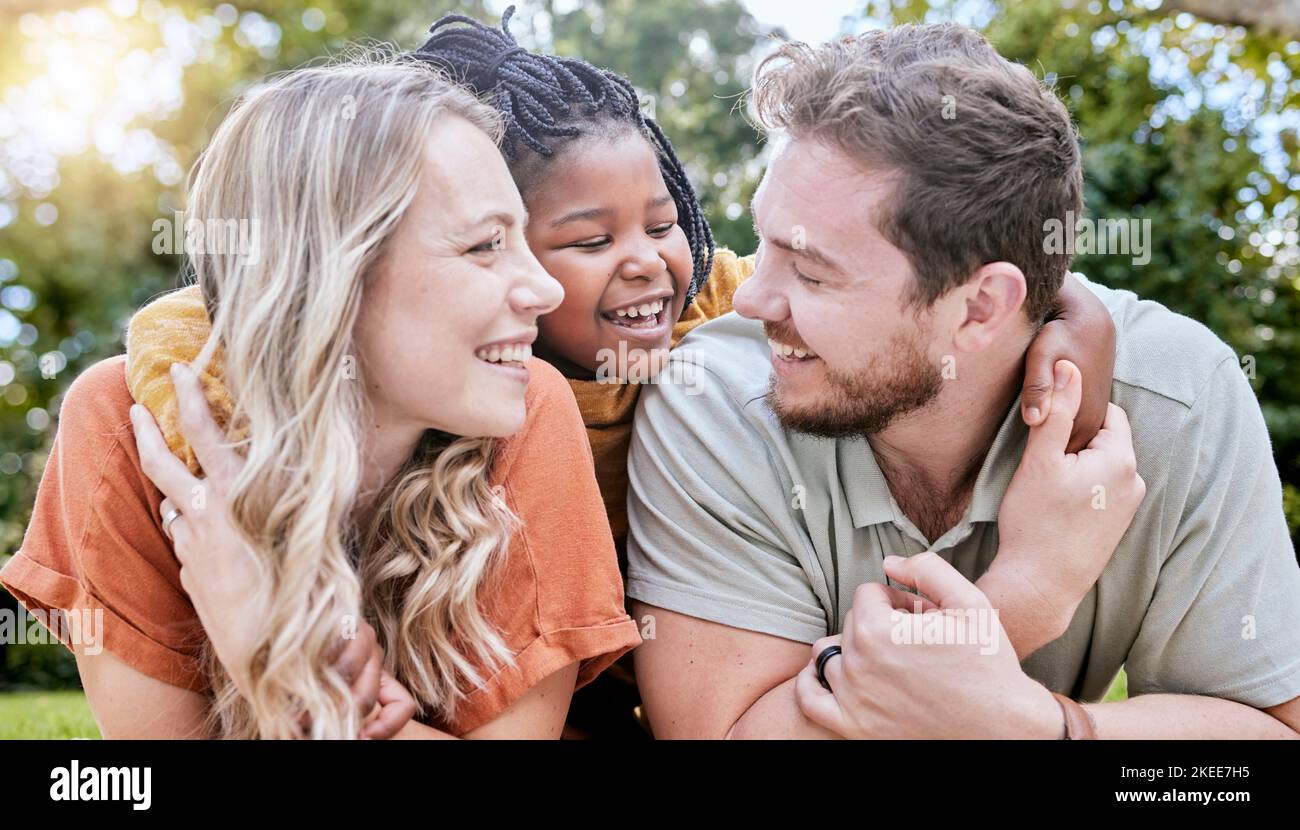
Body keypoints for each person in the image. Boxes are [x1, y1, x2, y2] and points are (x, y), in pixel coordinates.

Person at [126, 6, 1120, 739]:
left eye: (659, 223)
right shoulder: (401, 367)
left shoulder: (690, 318)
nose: (646, 259)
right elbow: (204, 331)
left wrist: (1064, 312)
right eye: (578, 240)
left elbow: (932, 289)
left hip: (609, 675)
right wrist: (213, 451)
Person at [627, 24, 1300, 738]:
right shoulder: (713, 397)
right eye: (763, 242)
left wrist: (1050, 730)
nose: (750, 300)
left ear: (980, 307)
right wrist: (1026, 596)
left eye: (813, 272)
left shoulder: (1178, 398)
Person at [0, 54, 641, 739]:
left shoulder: (524, 409)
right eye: (485, 245)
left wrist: (283, 665)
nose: (544, 290)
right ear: (330, 273)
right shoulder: (130, 428)